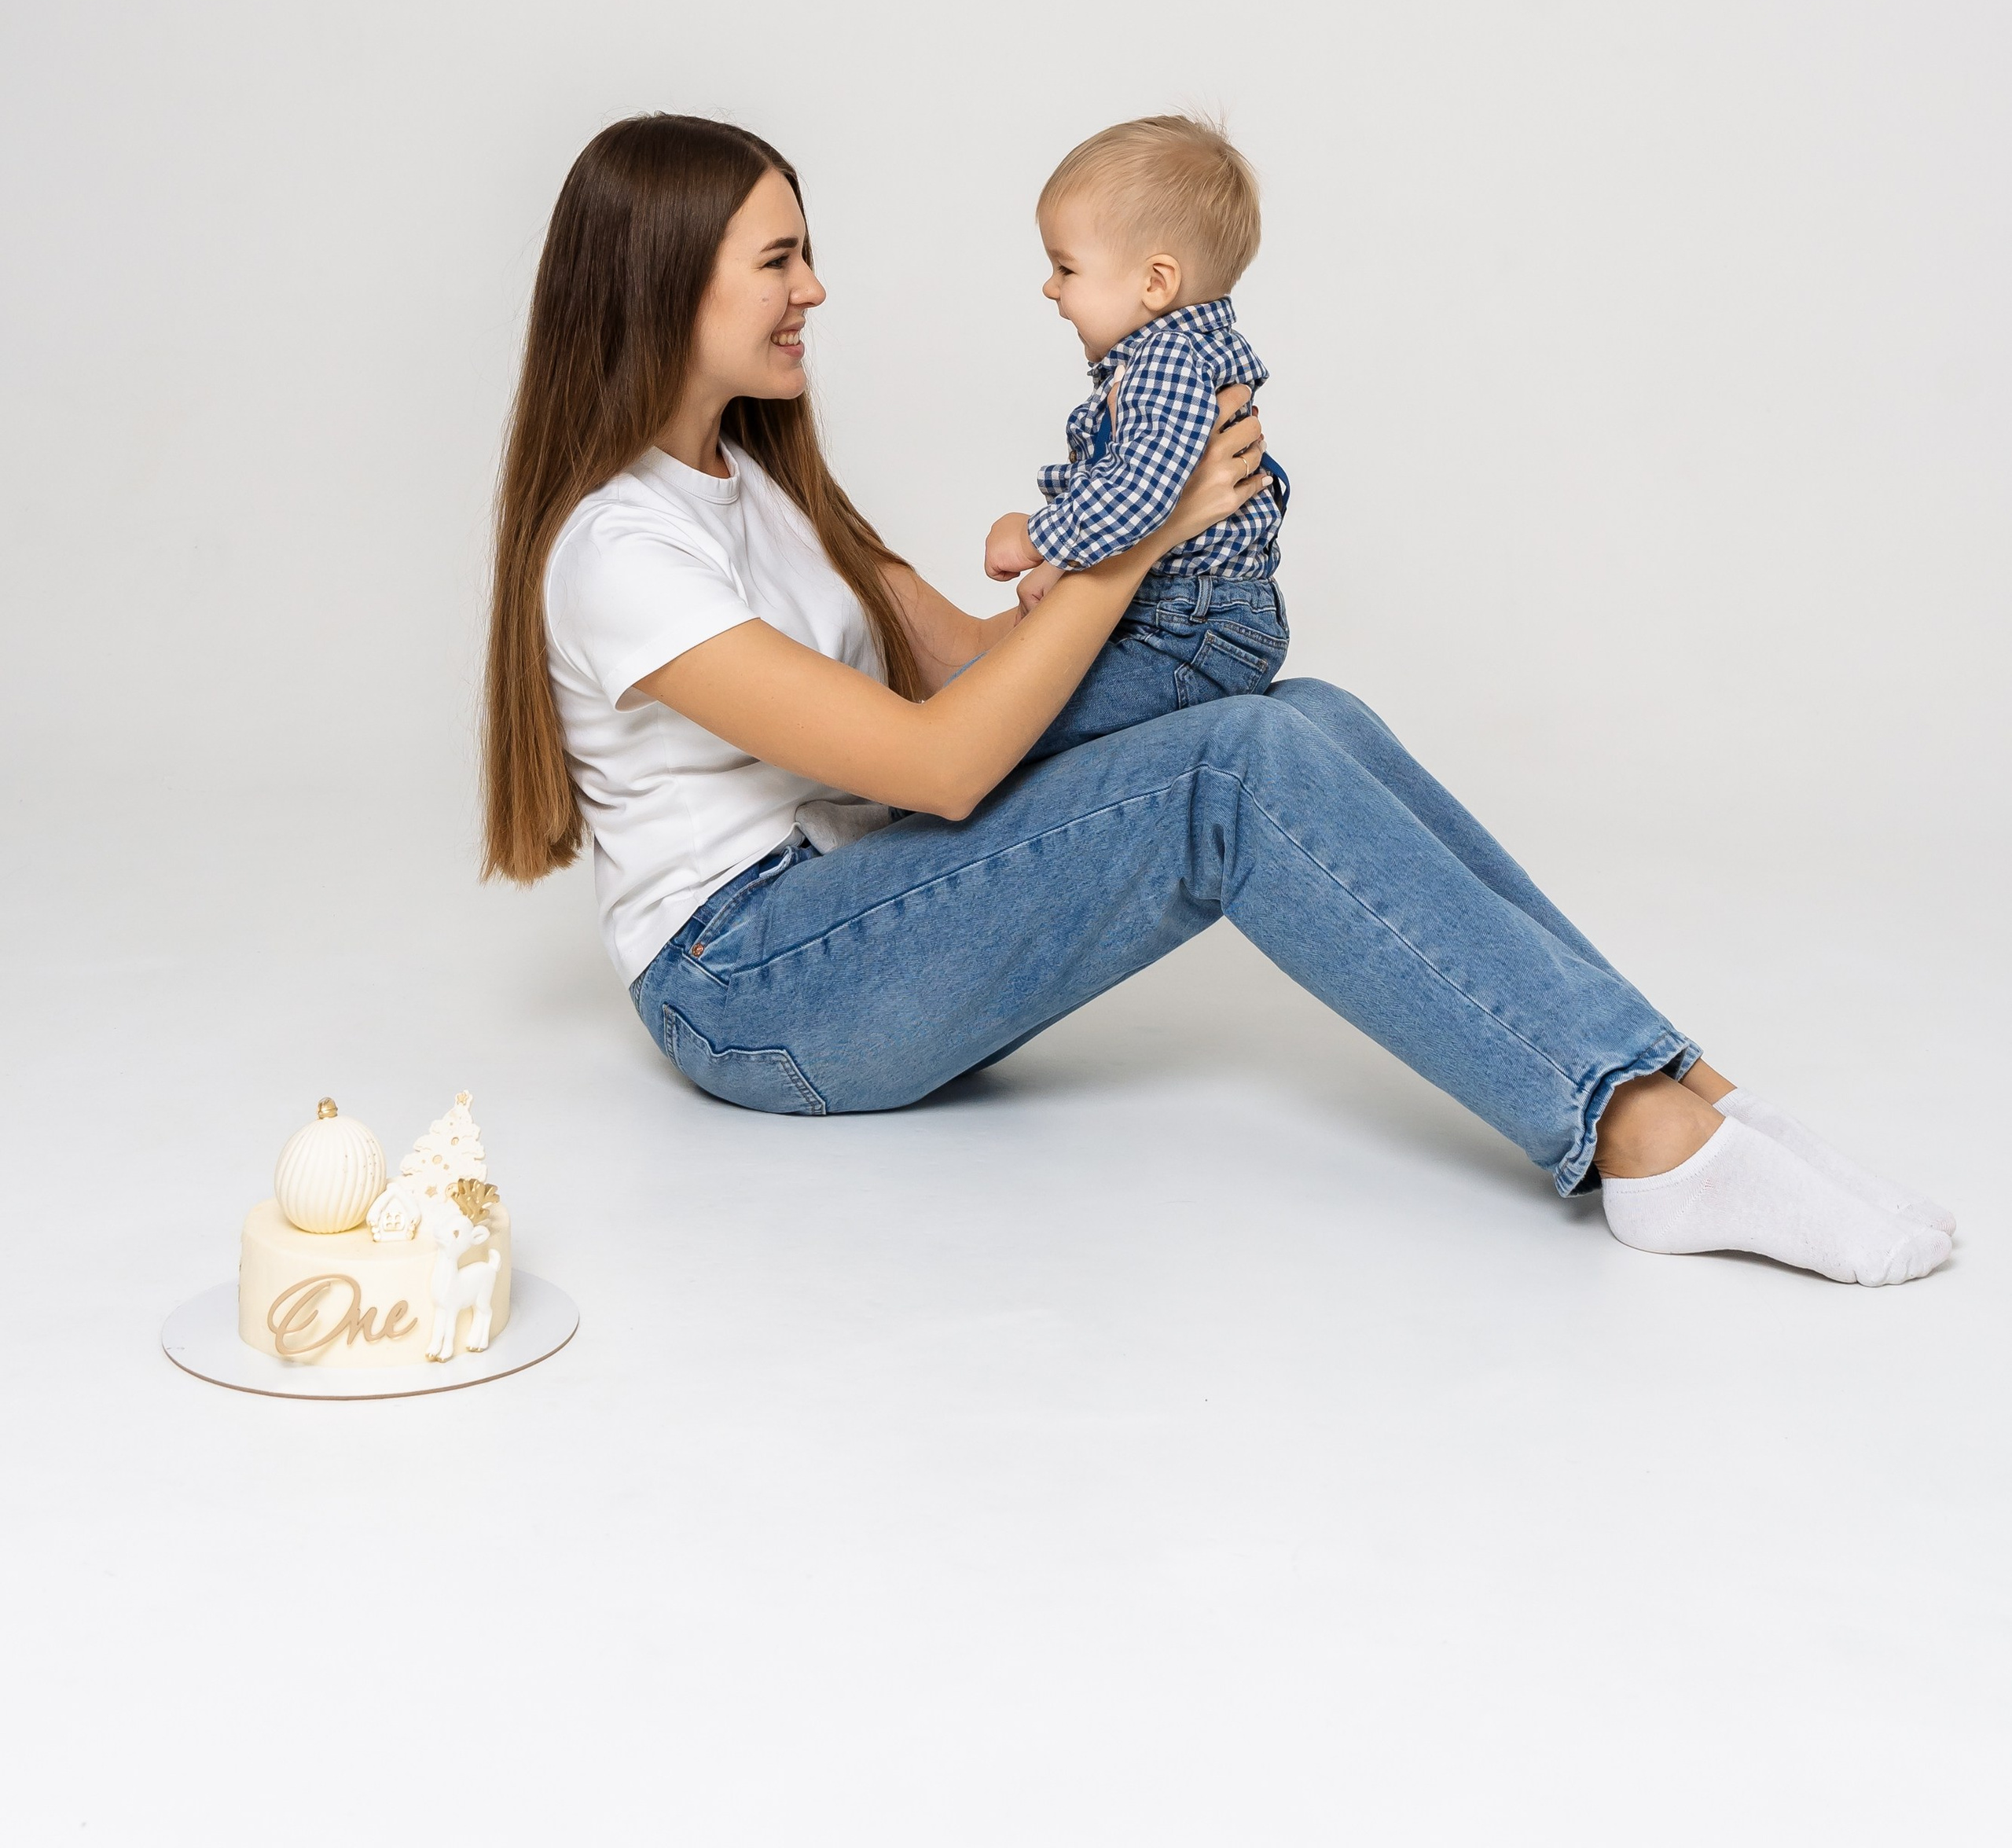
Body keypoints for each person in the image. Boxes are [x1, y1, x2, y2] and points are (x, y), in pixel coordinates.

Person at [485, 113, 1955, 1286]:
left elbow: (969, 678)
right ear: (667, 278)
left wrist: (1121, 562)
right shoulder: (618, 551)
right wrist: (1149, 534)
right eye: (780, 258)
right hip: (753, 988)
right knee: (1236, 769)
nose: (816, 290)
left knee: (1308, 721)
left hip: (859, 908)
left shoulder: (770, 486)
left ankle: (1683, 1084)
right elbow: (939, 771)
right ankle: (1640, 1141)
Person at [982, 114, 1291, 762]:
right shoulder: (1171, 355)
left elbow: (1140, 493)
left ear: (1156, 282)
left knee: (998, 724)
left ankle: (887, 821)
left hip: (1190, 627)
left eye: (1066, 268)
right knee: (998, 702)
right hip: (1180, 615)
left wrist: (1037, 536)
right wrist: (1065, 570)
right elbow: (1146, 486)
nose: (1050, 288)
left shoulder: (1168, 361)